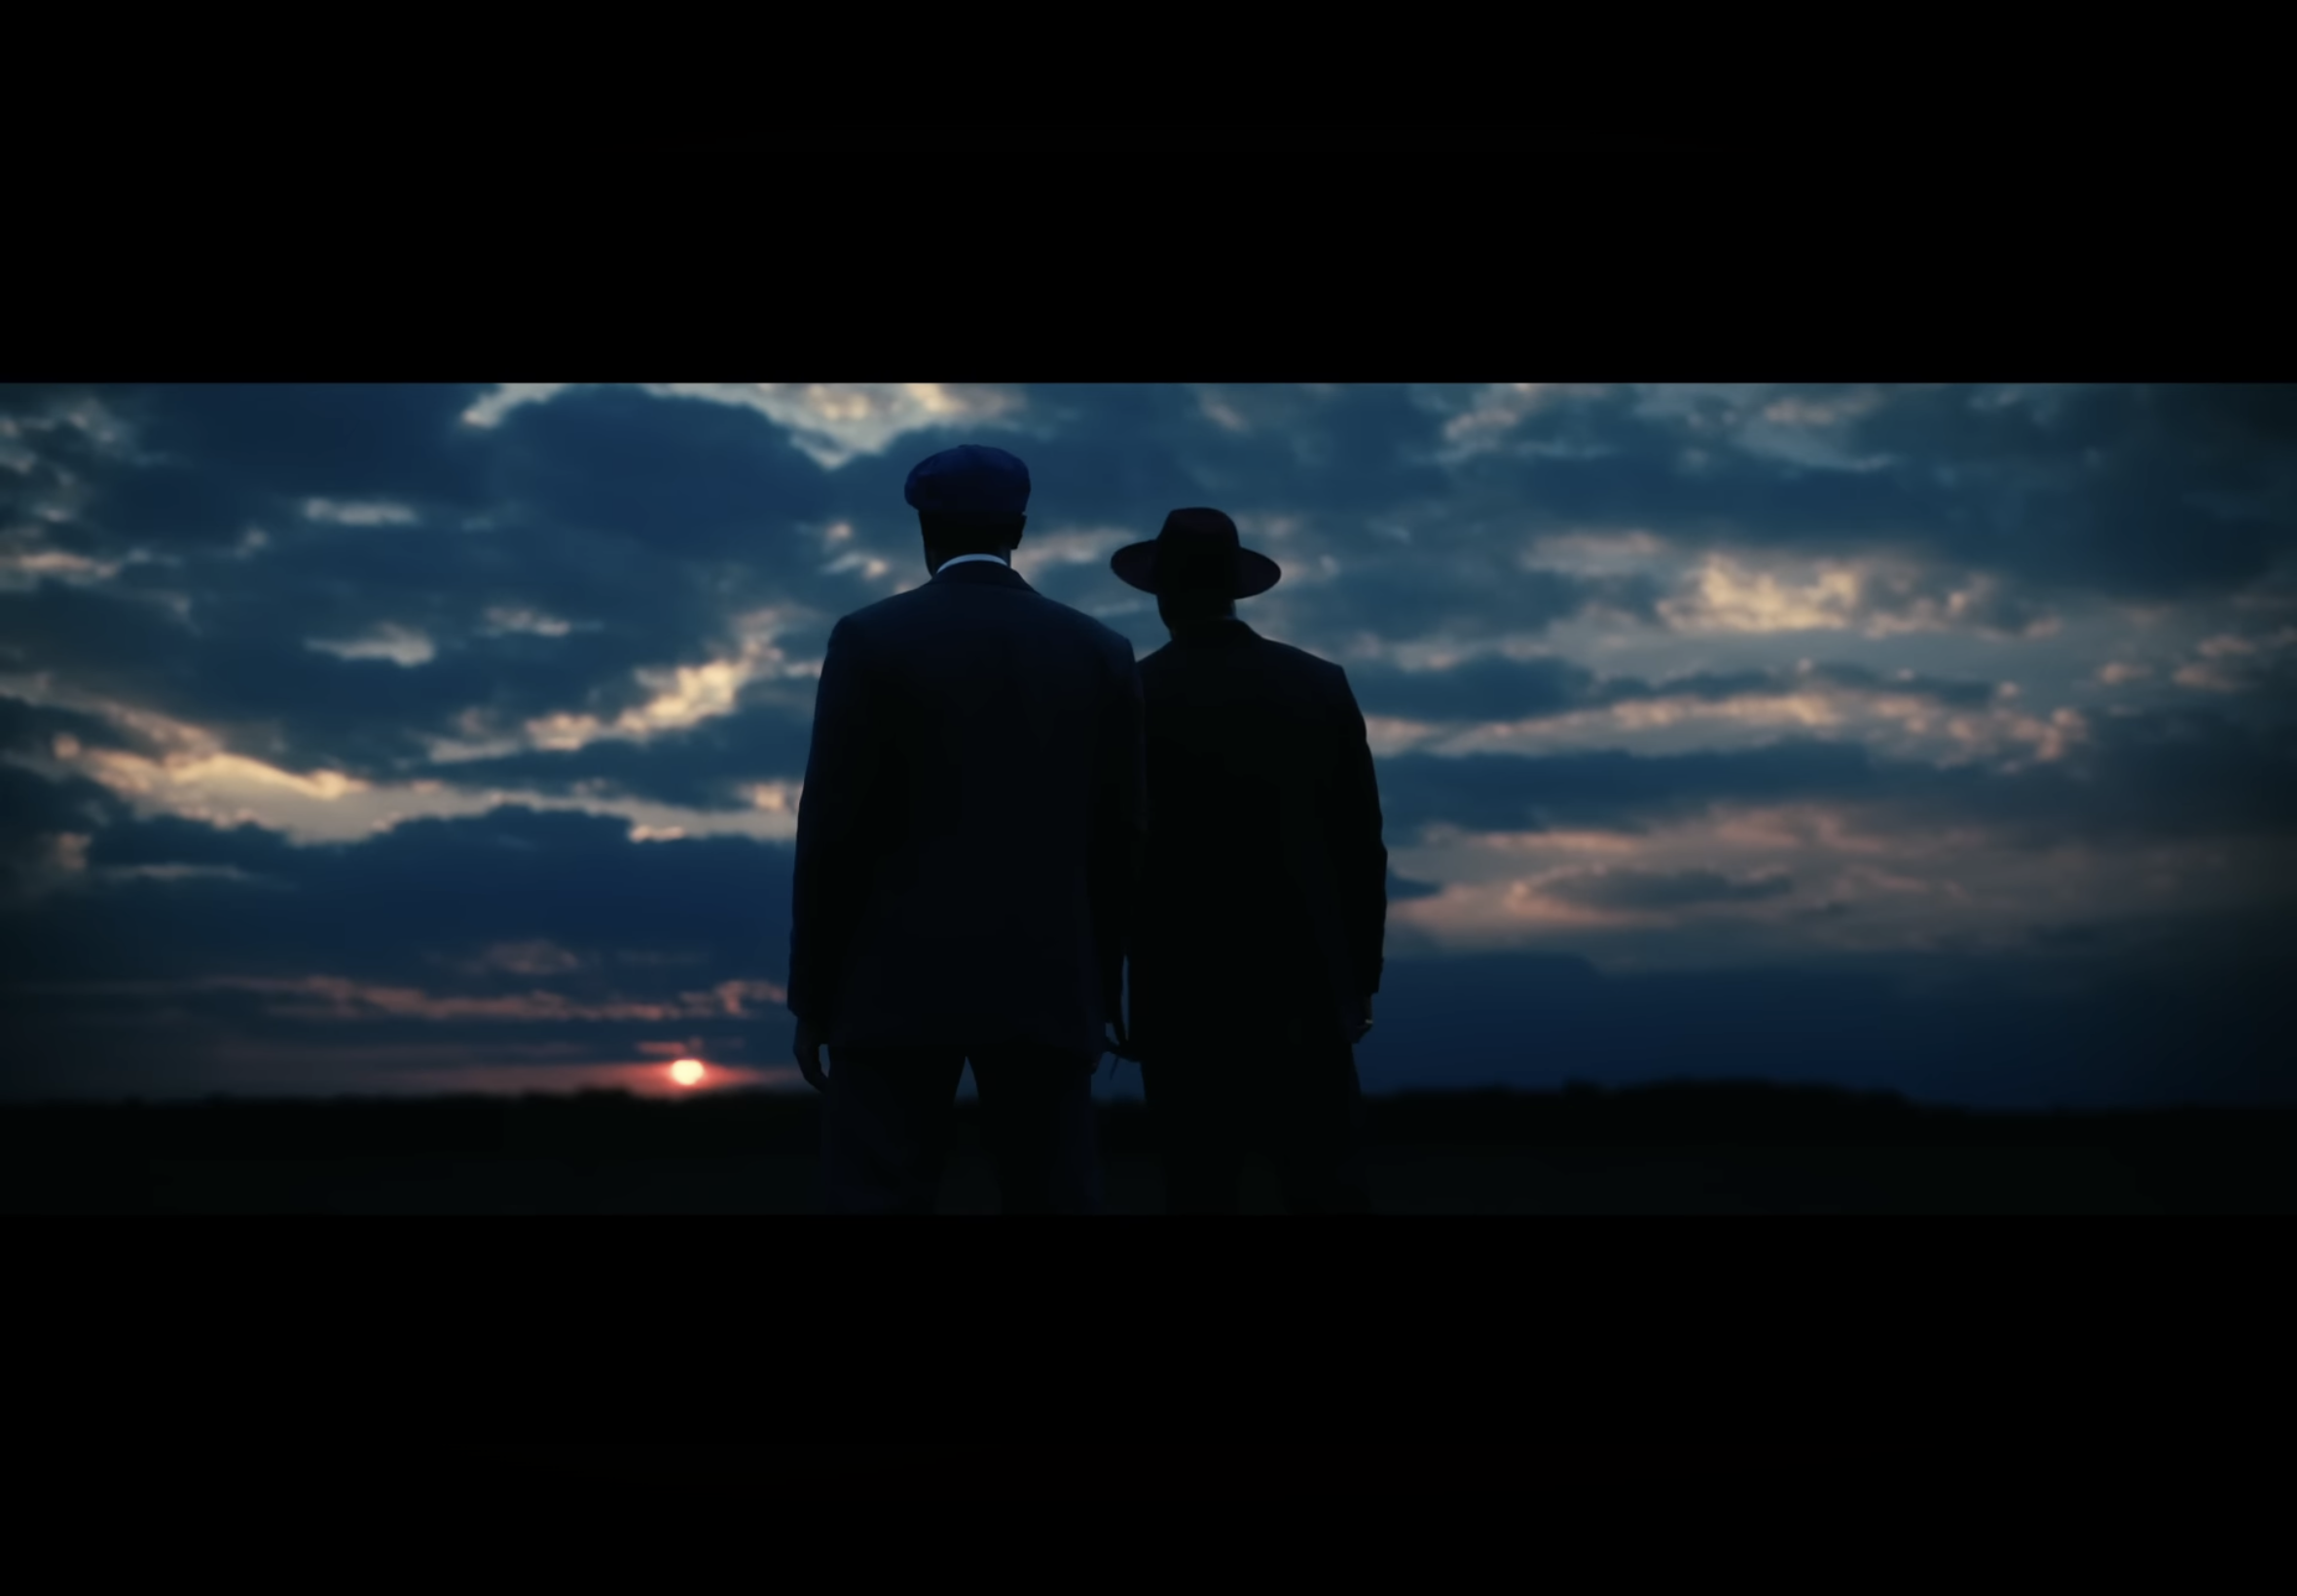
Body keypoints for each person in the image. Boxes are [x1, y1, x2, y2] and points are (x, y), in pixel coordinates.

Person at [787, 445, 1147, 1214]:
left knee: (876, 1194)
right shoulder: (1100, 651)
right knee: (1054, 1195)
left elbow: (831, 829)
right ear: (1018, 527)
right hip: (1050, 979)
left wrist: (813, 996)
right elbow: (1120, 835)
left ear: (925, 530)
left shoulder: (871, 638)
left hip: (891, 984)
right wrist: (1107, 981)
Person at [1108, 508, 1386, 1214]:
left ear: (1162, 594)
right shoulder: (1320, 685)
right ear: (1235, 589)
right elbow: (1360, 843)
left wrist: (1109, 978)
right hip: (1307, 980)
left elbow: (1111, 847)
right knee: (1323, 1183)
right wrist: (1359, 977)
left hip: (1181, 988)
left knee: (1200, 1183)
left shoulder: (1131, 697)